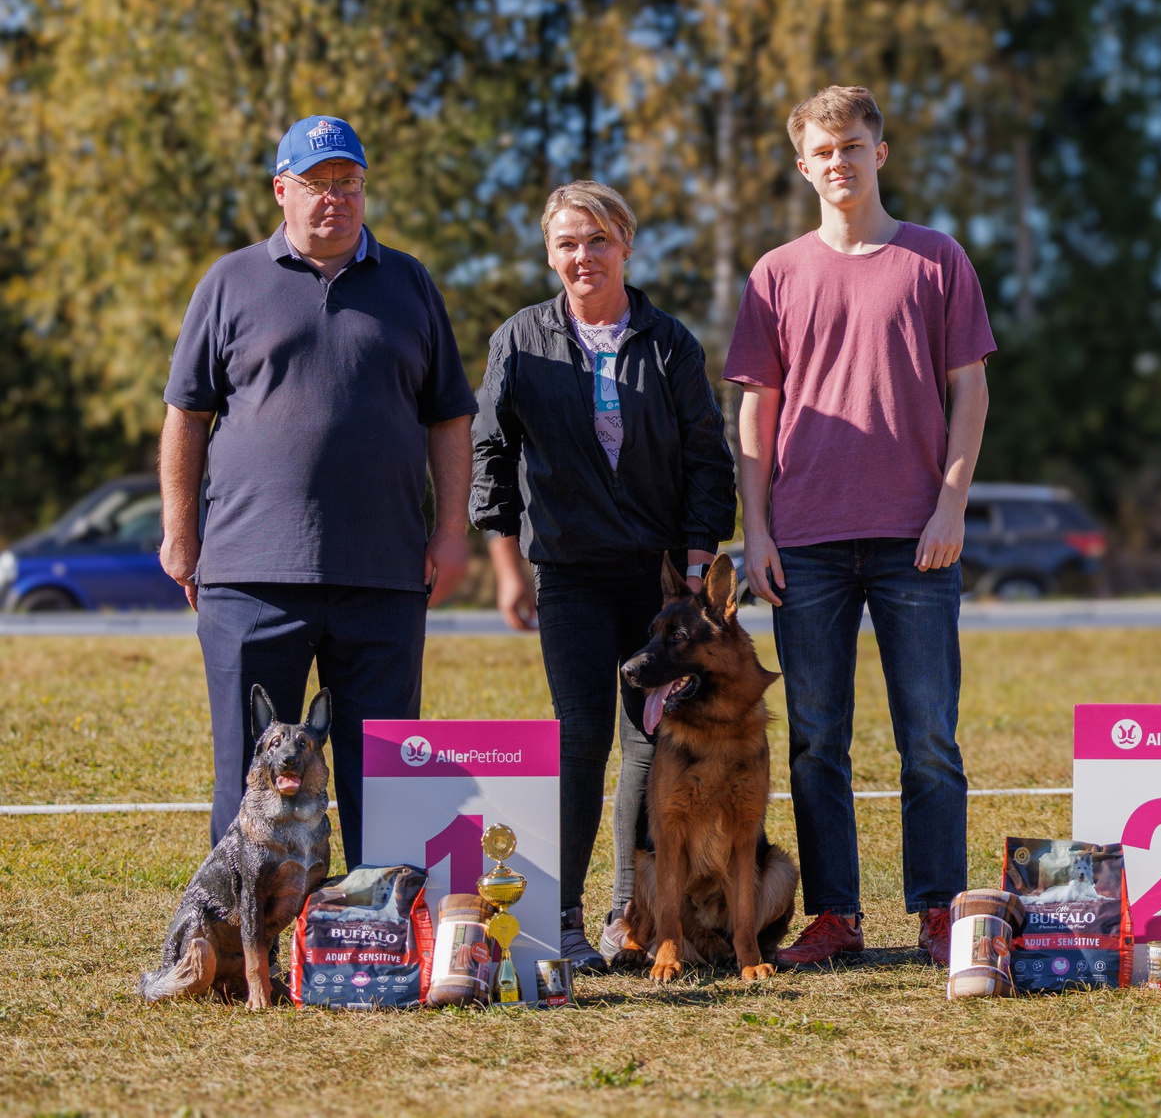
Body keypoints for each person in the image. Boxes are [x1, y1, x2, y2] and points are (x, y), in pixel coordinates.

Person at [159, 116, 477, 867]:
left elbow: (450, 417)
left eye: (349, 182)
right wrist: (180, 531)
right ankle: (248, 951)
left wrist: (452, 530)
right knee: (252, 776)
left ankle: (380, 943)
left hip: (383, 572)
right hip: (249, 574)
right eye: (316, 183)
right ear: (281, 190)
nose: (335, 198)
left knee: (386, 775)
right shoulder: (230, 281)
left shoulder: (410, 282)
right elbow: (186, 414)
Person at [725, 85, 995, 969]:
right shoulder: (775, 273)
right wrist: (755, 529)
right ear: (803, 166)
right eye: (822, 151)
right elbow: (755, 416)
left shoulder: (935, 260)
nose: (839, 161)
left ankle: (935, 911)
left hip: (918, 536)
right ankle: (836, 914)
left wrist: (952, 500)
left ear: (881, 152)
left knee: (929, 737)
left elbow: (971, 390)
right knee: (814, 738)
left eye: (853, 144)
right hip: (803, 541)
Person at [470, 181, 737, 973]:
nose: (581, 256)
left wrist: (696, 561)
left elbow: (705, 456)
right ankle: (561, 919)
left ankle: (634, 911)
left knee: (652, 740)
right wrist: (505, 566)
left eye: (596, 239)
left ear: (625, 243)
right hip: (570, 575)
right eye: (565, 243)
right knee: (582, 736)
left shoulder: (671, 342)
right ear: (550, 254)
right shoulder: (519, 340)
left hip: (658, 586)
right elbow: (490, 454)